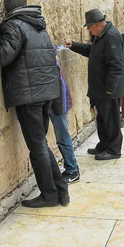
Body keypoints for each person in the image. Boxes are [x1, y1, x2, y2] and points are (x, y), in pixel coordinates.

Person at [0, 0, 68, 208]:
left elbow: (4, 55)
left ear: (6, 10)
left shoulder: (13, 25)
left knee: (37, 147)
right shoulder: (38, 24)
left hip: (29, 95)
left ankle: (49, 195)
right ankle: (61, 191)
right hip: (47, 92)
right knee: (41, 142)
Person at [66, 9, 124, 160]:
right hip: (101, 87)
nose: (88, 29)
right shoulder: (101, 36)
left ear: (98, 24)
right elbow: (91, 50)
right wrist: (73, 45)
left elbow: (116, 65)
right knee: (103, 118)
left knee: (111, 119)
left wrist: (110, 88)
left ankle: (113, 149)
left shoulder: (111, 36)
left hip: (108, 89)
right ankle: (104, 144)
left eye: (89, 26)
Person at [50, 47, 80, 184]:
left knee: (62, 137)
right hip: (55, 101)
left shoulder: (49, 62)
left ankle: (72, 170)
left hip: (58, 103)